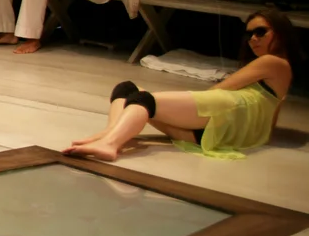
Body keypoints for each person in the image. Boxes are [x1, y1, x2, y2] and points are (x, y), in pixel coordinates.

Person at [65, 9, 299, 161]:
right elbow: (272, 116)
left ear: (280, 33)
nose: (253, 39)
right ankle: (110, 134)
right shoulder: (279, 70)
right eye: (249, 35)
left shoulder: (273, 62)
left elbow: (223, 88)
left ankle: (110, 142)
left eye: (261, 32)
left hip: (221, 114)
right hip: (212, 131)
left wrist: (191, 109)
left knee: (142, 100)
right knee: (128, 90)